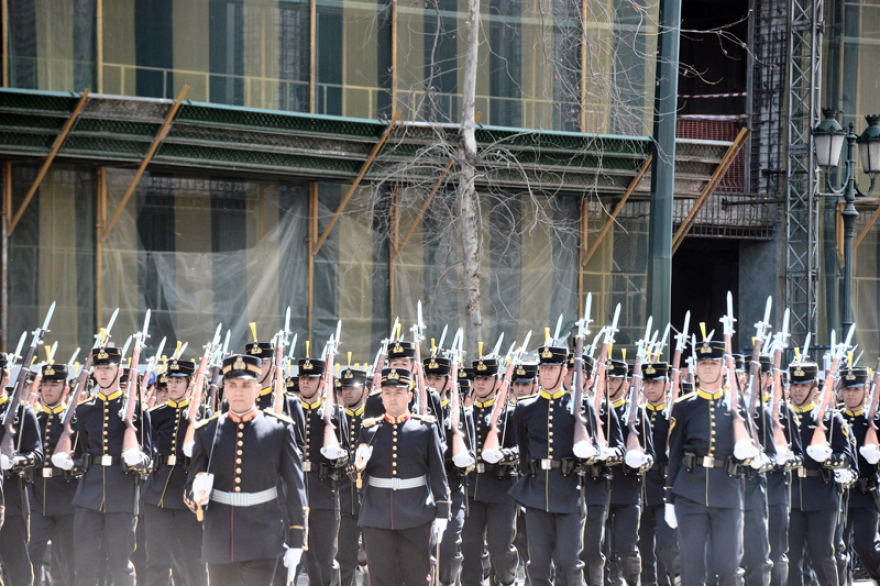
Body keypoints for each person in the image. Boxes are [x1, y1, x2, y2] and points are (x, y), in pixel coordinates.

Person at [185, 353, 307, 586]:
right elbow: (189, 485)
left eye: (245, 385)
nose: (238, 391)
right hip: (220, 536)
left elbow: (295, 488)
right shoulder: (207, 431)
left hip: (264, 534)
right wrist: (196, 494)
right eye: (232, 385)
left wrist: (297, 540)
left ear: (258, 389)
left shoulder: (278, 429)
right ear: (225, 389)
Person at [52, 344, 152, 586]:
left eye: (108, 367)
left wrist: (138, 460)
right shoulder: (85, 411)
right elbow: (82, 453)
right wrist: (69, 464)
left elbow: (149, 457)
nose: (103, 373)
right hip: (89, 495)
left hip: (122, 495)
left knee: (120, 565)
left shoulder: (137, 410)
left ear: (120, 370)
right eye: (98, 368)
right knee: (85, 566)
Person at [665, 339, 756, 586]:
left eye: (713, 363)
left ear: (723, 368)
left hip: (727, 494)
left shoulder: (737, 407)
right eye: (703, 363)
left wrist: (748, 452)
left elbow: (751, 452)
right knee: (692, 569)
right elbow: (674, 456)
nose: (707, 368)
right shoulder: (684, 407)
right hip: (689, 495)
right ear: (696, 368)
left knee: (728, 568)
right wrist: (670, 500)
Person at [353, 367, 450, 586]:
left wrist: (442, 510)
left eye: (398, 392)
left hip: (416, 513)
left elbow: (437, 472)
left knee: (416, 577)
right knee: (380, 578)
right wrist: (358, 463)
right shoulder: (369, 429)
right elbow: (355, 473)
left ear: (409, 396)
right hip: (377, 514)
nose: (392, 398)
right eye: (387, 392)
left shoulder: (425, 428)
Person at [509, 343, 589, 586]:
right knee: (538, 564)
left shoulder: (579, 406)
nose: (546, 373)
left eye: (552, 368)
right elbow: (524, 452)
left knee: (568, 561)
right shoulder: (524, 408)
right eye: (543, 368)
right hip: (537, 494)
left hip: (569, 493)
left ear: (564, 370)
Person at [786, 360, 856, 586]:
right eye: (795, 384)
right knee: (791, 558)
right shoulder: (781, 418)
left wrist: (826, 459)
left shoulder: (831, 419)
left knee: (823, 556)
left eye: (803, 385)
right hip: (789, 496)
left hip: (822, 496)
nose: (798, 390)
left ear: (814, 389)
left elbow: (846, 457)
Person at [142, 356, 209, 586]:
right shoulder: (155, 415)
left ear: (190, 383)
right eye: (170, 380)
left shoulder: (202, 417)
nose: (172, 385)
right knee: (157, 561)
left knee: (193, 562)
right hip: (157, 493)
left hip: (187, 496)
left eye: (178, 381)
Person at [460, 353, 519, 586]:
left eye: (486, 378)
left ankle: (506, 582)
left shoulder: (510, 413)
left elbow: (520, 449)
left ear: (497, 381)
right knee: (469, 545)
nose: (480, 383)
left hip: (501, 488)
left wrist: (502, 455)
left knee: (500, 547)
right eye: (477, 379)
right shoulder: (465, 415)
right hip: (472, 488)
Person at [297, 354, 349, 586]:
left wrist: (336, 455)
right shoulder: (291, 411)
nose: (305, 382)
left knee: (325, 560)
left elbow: (347, 453)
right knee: (300, 561)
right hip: (295, 495)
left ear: (321, 382)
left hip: (324, 496)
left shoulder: (337, 414)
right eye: (302, 377)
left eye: (311, 378)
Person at [425, 354, 475, 586]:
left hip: (451, 491)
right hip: (421, 494)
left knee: (446, 552)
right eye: (429, 377)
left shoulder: (460, 413)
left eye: (438, 378)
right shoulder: (417, 415)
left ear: (447, 382)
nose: (432, 382)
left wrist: (462, 455)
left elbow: (471, 457)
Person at [29, 362, 78, 586]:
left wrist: (72, 464)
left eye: (55, 385)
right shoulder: (34, 420)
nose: (48, 390)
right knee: (31, 555)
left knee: (67, 562)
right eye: (45, 385)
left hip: (68, 497)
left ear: (65, 389)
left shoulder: (76, 420)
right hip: (38, 497)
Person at [637, 361, 681, 586]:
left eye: (656, 382)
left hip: (666, 488)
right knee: (645, 550)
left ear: (666, 384)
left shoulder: (674, 414)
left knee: (668, 546)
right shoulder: (637, 414)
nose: (650, 387)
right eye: (647, 382)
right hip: (642, 490)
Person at [0, 373, 44, 586]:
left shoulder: (23, 413)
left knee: (17, 566)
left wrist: (12, 462)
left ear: (5, 378)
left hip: (10, 500)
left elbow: (37, 456)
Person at [838, 365, 880, 583]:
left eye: (855, 389)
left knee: (866, 547)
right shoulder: (834, 420)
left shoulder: (874, 421)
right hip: (840, 494)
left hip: (866, 494)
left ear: (865, 390)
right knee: (838, 549)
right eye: (847, 389)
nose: (850, 394)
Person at [336, 364, 368, 586]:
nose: (347, 391)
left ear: (365, 390)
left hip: (372, 500)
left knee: (376, 560)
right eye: (343, 388)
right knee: (344, 558)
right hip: (344, 499)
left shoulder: (373, 420)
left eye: (352, 387)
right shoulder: (334, 420)